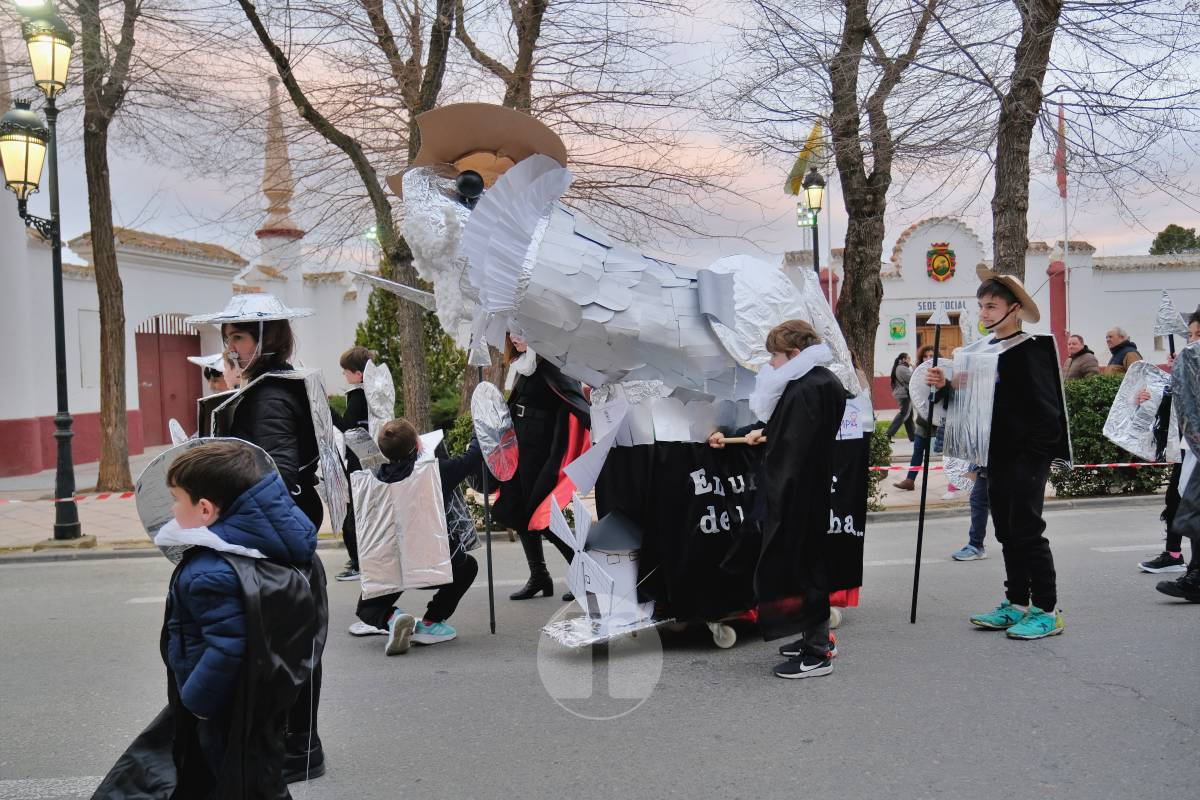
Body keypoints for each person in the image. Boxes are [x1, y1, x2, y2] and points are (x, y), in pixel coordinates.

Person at [93, 440, 324, 797]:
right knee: (255, 778)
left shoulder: (211, 572)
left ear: (204, 509)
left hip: (220, 708)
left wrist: (196, 704)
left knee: (232, 783)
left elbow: (227, 649)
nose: (171, 508)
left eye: (176, 499)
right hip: (258, 704)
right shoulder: (272, 550)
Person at [189, 294, 329, 782]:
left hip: (275, 537)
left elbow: (276, 473)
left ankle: (296, 746)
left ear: (266, 340)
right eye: (226, 339)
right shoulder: (265, 385)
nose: (229, 348)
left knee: (285, 645)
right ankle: (296, 744)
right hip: (277, 532)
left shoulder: (269, 394)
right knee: (288, 642)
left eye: (239, 338)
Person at [926, 270, 1068, 640]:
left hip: (1025, 459)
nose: (984, 313)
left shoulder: (1030, 350)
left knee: (1028, 532)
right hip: (993, 458)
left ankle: (1047, 611)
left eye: (992, 306)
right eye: (981, 307)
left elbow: (1048, 413)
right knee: (1006, 532)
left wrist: (1032, 459)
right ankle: (1017, 603)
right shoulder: (982, 353)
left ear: (1014, 310)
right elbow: (966, 406)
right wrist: (944, 388)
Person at [734, 319, 846, 679]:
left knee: (803, 567)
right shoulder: (820, 381)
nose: (771, 364)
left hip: (798, 494)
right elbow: (792, 435)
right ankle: (814, 639)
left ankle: (816, 653)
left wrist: (771, 477)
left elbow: (792, 451)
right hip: (808, 489)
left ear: (795, 354)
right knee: (805, 565)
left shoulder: (805, 388)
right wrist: (763, 435)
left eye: (775, 357)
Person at [351, 419, 483, 652]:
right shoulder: (435, 471)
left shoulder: (368, 482)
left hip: (390, 569)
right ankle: (432, 622)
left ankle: (393, 619)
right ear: (418, 445)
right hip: (434, 567)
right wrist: (478, 429)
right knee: (468, 566)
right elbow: (473, 459)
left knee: (366, 610)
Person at [492, 333, 592, 601]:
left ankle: (584, 573)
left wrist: (599, 430)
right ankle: (539, 576)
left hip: (542, 450)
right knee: (518, 509)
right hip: (518, 445)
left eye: (521, 331)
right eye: (510, 332)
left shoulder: (551, 364)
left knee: (543, 513)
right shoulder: (522, 366)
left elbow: (576, 401)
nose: (514, 337)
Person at [1136, 310, 1200, 574]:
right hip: (1189, 448)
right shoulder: (1189, 365)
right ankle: (1176, 555)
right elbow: (1174, 404)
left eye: (1199, 335)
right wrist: (1147, 396)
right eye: (1191, 335)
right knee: (1177, 498)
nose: (1193, 341)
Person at [330, 345, 375, 583]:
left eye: (346, 371)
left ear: (358, 373)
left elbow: (348, 428)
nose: (344, 376)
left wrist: (326, 409)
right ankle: (360, 559)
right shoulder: (373, 391)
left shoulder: (359, 396)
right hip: (368, 458)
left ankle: (359, 563)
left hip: (358, 461)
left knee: (353, 517)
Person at [894, 344, 937, 492]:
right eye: (925, 356)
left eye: (931, 356)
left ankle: (954, 485)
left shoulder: (943, 372)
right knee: (918, 451)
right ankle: (910, 480)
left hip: (941, 422)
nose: (928, 359)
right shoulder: (918, 374)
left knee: (948, 456)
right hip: (924, 421)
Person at [951, 471, 989, 561]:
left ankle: (976, 545)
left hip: (1008, 464)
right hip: (987, 466)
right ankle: (976, 545)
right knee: (978, 500)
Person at [885, 353, 915, 441]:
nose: (910, 360)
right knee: (903, 413)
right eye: (909, 358)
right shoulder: (902, 368)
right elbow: (912, 379)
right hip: (904, 394)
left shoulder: (900, 367)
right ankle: (888, 434)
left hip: (904, 393)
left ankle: (913, 436)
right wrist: (914, 369)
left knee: (909, 415)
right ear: (904, 359)